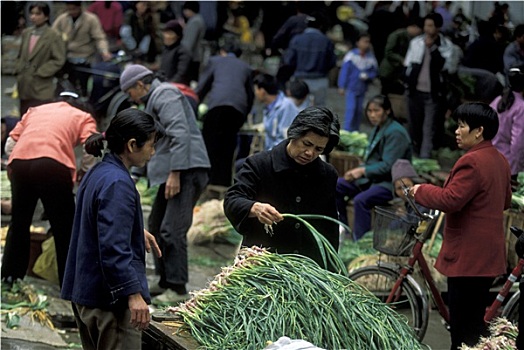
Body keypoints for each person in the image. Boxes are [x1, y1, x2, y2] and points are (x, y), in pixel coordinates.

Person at [409, 102, 512, 350]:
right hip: (487, 255)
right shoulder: (499, 159)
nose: (457, 131)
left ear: (479, 131)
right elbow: (506, 200)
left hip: (469, 256)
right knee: (473, 326)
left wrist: (420, 190)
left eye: (462, 126)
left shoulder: (472, 162)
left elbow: (450, 199)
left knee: (463, 331)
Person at [61, 108, 163, 350]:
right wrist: (133, 293)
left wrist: (133, 228)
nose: (153, 152)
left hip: (87, 293)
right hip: (109, 303)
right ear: (131, 145)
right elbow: (113, 248)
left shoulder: (99, 172)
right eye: (150, 145)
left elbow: (97, 223)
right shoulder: (117, 183)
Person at [119, 64, 210, 306]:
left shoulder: (165, 94)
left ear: (140, 85)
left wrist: (175, 173)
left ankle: (178, 287)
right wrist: (136, 174)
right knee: (156, 225)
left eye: (130, 91)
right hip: (174, 170)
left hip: (186, 169)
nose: (131, 97)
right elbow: (150, 143)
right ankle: (164, 279)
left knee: (172, 229)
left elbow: (179, 133)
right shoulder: (152, 102)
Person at [224, 106, 341, 269]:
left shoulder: (327, 175)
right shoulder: (259, 164)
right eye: (306, 144)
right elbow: (232, 199)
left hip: (306, 269)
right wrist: (254, 207)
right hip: (262, 265)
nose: (310, 153)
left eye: (318, 149)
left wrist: (331, 271)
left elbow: (330, 228)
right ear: (294, 134)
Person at [1, 92, 98, 287]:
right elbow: (92, 147)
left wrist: (20, 161)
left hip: (20, 163)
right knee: (65, 228)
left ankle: (10, 277)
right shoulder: (84, 117)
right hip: (52, 165)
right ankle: (69, 283)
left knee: (19, 222)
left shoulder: (35, 110)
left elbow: (10, 144)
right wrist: (84, 174)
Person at [336, 94, 412, 241]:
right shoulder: (379, 128)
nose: (372, 115)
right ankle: (343, 229)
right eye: (369, 111)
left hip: (389, 183)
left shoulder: (395, 132)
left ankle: (361, 240)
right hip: (371, 180)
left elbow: (389, 166)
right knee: (337, 186)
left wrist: (362, 170)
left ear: (387, 111)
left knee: (361, 200)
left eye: (376, 111)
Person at [196, 40, 254, 189]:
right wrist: (244, 114)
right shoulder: (246, 67)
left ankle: (207, 183)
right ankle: (222, 184)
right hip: (237, 111)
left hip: (217, 106)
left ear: (222, 51)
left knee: (210, 144)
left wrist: (194, 105)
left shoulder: (215, 61)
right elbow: (250, 95)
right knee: (228, 147)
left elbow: (203, 86)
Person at [403, 12, 460, 159]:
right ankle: (412, 155)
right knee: (414, 126)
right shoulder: (416, 43)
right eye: (425, 25)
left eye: (430, 26)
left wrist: (433, 50)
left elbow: (448, 69)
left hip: (433, 94)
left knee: (428, 128)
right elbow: (408, 65)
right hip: (414, 91)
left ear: (438, 27)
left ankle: (424, 158)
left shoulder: (447, 47)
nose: (427, 29)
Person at [52, 0, 112, 97]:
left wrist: (104, 51)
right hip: (66, 58)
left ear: (80, 7)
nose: (72, 12)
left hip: (85, 58)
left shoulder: (91, 19)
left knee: (84, 87)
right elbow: (52, 35)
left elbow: (99, 37)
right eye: (69, 9)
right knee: (64, 86)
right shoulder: (62, 19)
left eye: (74, 9)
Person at [16, 1, 66, 116]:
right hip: (24, 84)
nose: (33, 17)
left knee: (39, 116)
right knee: (24, 115)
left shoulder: (53, 35)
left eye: (38, 14)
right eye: (32, 13)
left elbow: (58, 59)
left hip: (41, 86)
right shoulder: (27, 33)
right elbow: (21, 55)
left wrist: (42, 71)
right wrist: (18, 68)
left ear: (46, 16)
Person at [283, 10, 336, 106]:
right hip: (320, 80)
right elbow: (332, 62)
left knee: (299, 110)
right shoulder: (326, 41)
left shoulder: (297, 39)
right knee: (319, 112)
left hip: (300, 79)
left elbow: (289, 61)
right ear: (320, 26)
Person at [337, 33, 378, 131]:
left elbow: (375, 72)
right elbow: (344, 72)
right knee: (351, 110)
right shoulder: (351, 55)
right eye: (364, 41)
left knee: (358, 111)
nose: (366, 44)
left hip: (362, 88)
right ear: (358, 43)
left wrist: (368, 76)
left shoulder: (370, 57)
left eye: (368, 42)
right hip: (351, 87)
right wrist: (341, 86)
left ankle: (355, 131)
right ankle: (347, 131)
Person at [490, 65, 524, 178]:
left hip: (489, 157)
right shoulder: (521, 107)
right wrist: (516, 168)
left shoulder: (497, 101)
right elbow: (517, 144)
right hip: (508, 163)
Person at [253, 73, 299, 151]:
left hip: (279, 155)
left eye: (256, 90)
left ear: (262, 91)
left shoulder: (286, 106)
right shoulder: (268, 107)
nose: (255, 93)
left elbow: (285, 139)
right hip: (271, 153)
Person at [378, 18, 423, 95]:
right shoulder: (397, 35)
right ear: (414, 27)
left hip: (399, 73)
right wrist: (402, 60)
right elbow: (388, 52)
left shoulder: (414, 40)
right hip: (389, 71)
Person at [158, 19, 192, 86]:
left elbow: (181, 74)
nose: (166, 36)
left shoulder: (183, 52)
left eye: (170, 33)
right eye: (165, 33)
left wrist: (169, 86)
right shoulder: (166, 49)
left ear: (178, 36)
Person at [181, 1, 206, 83]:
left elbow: (188, 42)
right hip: (196, 56)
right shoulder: (199, 19)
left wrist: (182, 55)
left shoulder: (194, 22)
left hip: (192, 56)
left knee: (189, 81)